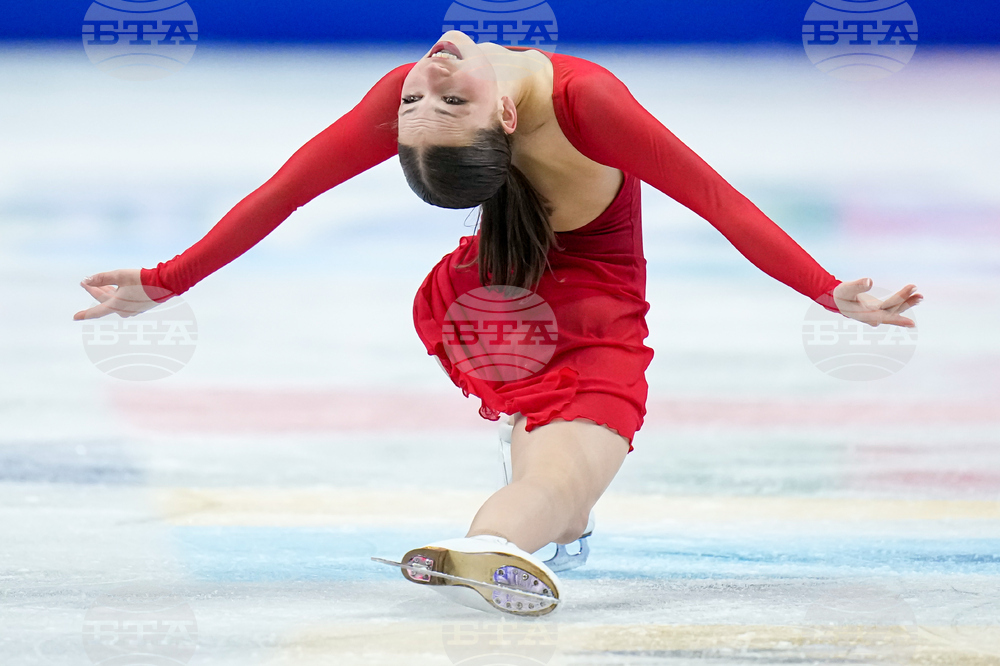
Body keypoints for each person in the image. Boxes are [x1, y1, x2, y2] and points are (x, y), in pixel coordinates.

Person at [74, 31, 923, 617]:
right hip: (558, 310)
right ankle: (505, 535)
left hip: (486, 301)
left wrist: (168, 281)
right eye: (428, 97)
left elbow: (286, 192)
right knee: (558, 487)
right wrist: (165, 280)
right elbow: (714, 198)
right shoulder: (584, 99)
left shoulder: (520, 98)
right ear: (502, 123)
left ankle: (515, 536)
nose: (428, 73)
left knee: (562, 496)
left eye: (432, 96)